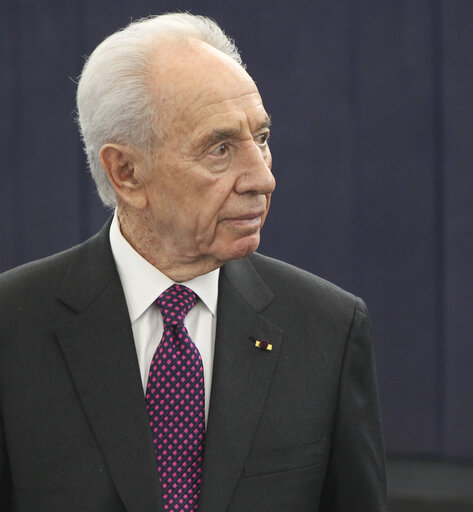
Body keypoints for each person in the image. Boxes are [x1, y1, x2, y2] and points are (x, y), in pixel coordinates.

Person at [0, 12, 386, 512]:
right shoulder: (13, 327)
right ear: (126, 173)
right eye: (221, 148)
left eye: (262, 139)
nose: (261, 179)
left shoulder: (328, 329)